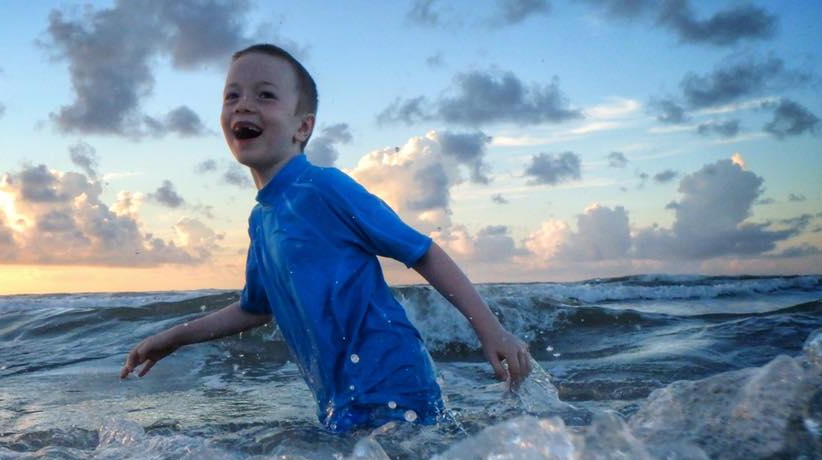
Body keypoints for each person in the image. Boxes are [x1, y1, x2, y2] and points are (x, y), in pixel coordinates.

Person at [121, 44, 532, 431]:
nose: (244, 104)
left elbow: (422, 251)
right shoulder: (261, 219)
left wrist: (491, 331)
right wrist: (171, 338)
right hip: (340, 402)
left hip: (392, 383)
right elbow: (255, 309)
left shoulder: (325, 188)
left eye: (265, 95)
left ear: (303, 126)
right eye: (232, 96)